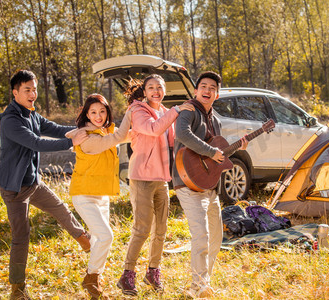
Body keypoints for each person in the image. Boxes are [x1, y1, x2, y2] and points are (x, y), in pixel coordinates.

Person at [0, 70, 90, 300]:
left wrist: (81, 129)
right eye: (27, 89)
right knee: (21, 236)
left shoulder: (32, 113)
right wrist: (71, 143)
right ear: (15, 92)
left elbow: (54, 128)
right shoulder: (10, 119)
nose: (33, 94)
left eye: (35, 89)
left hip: (33, 183)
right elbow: (36, 143)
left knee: (61, 209)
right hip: (15, 189)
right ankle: (17, 290)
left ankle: (88, 243)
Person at [171, 71, 247, 298]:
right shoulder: (189, 111)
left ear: (217, 93)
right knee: (201, 236)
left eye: (212, 88)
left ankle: (204, 281)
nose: (207, 90)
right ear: (196, 91)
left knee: (216, 238)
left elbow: (217, 157)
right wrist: (212, 152)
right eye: (203, 86)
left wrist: (235, 150)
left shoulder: (216, 120)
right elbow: (182, 134)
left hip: (209, 186)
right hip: (187, 183)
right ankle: (198, 288)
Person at [116, 74, 194, 296]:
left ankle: (152, 271)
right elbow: (153, 129)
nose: (156, 91)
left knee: (160, 229)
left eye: (159, 87)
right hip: (141, 177)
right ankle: (127, 274)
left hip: (161, 178)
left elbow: (172, 140)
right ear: (145, 91)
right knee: (141, 229)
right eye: (151, 87)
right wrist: (177, 110)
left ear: (164, 90)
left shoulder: (163, 112)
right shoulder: (137, 110)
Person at [65, 94, 132, 299]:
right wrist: (131, 111)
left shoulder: (104, 132)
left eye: (102, 111)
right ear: (86, 114)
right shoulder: (86, 137)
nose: (98, 115)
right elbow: (118, 138)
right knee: (106, 236)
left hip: (101, 194)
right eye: (93, 112)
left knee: (98, 240)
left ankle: (95, 282)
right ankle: (91, 277)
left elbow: (124, 136)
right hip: (84, 195)